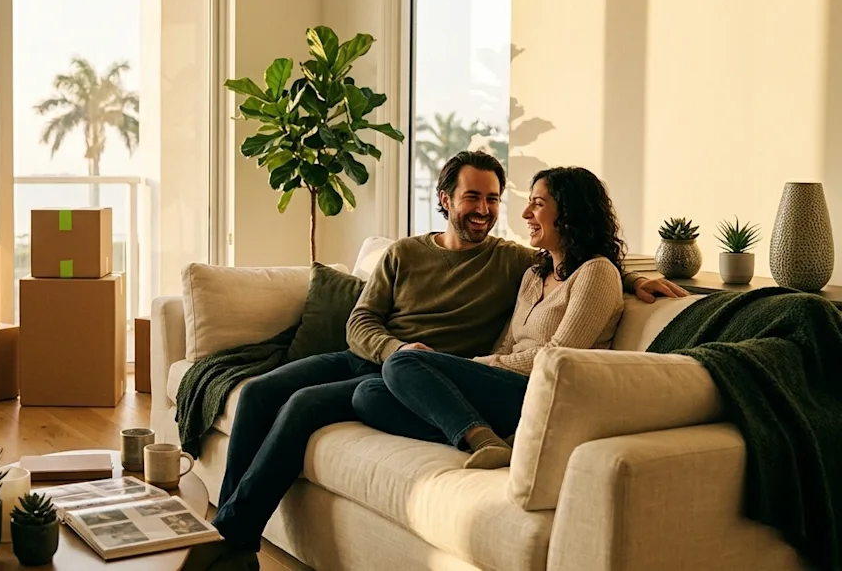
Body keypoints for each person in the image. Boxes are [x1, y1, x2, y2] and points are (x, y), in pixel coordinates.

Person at [181, 152, 686, 571]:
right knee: (261, 391)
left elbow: (587, 273)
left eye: (493, 199)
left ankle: (234, 541)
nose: (485, 210)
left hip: (438, 372)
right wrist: (394, 350)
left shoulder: (510, 259)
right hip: (379, 357)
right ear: (445, 200)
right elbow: (360, 324)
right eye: (473, 197)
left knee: (304, 408)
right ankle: (224, 531)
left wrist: (634, 281)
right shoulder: (408, 254)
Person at [351, 166, 627, 470]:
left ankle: (480, 436)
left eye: (537, 203)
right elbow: (507, 343)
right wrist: (476, 369)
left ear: (570, 212)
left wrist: (475, 365)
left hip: (545, 391)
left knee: (403, 361)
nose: (525, 213)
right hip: (504, 387)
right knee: (369, 395)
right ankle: (486, 436)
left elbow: (556, 357)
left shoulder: (597, 273)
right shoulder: (535, 274)